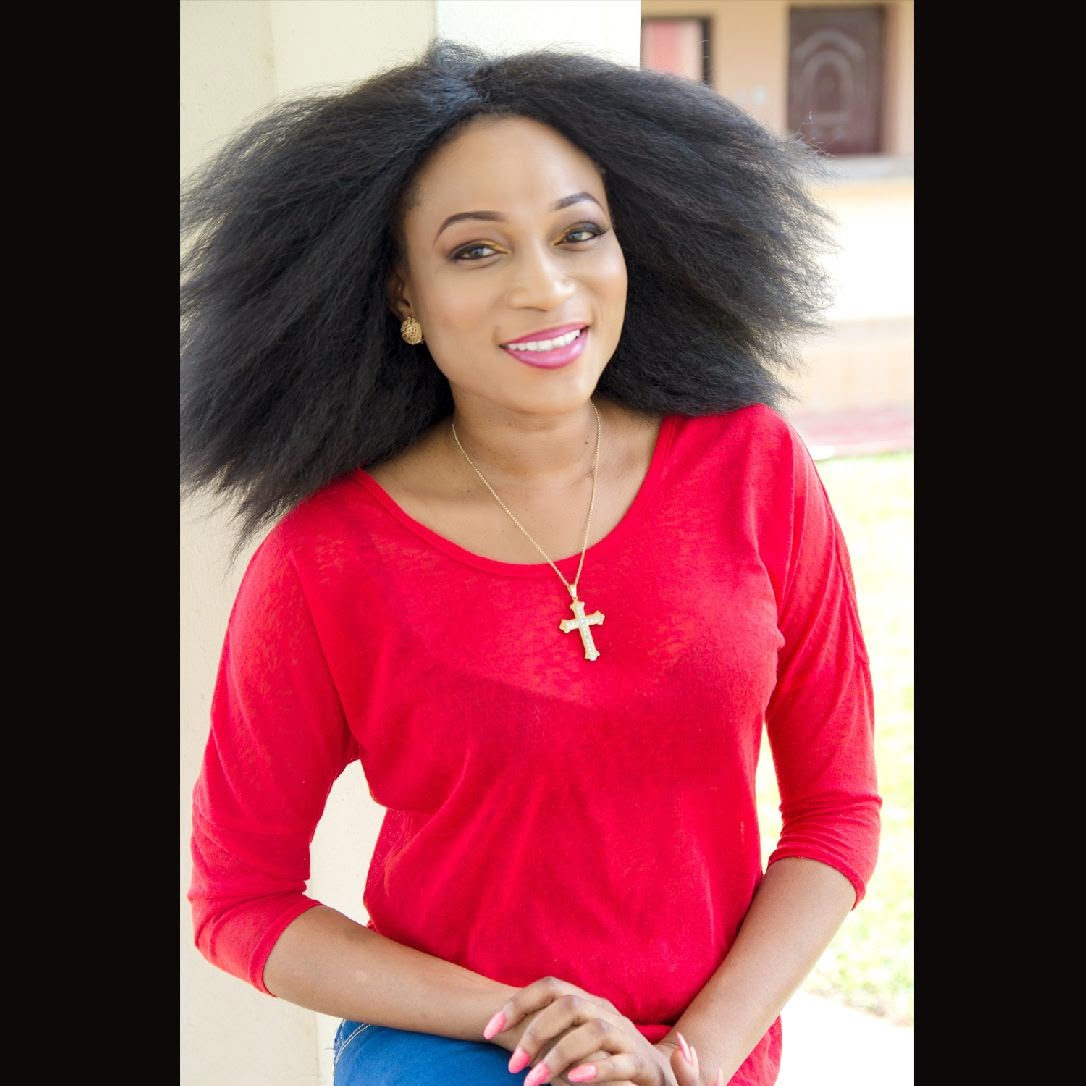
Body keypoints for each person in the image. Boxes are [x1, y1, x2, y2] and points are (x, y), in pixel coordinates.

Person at [181, 39, 881, 1086]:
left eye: (578, 233)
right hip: (455, 1052)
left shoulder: (752, 467)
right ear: (403, 294)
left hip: (708, 1058)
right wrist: (532, 1021)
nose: (546, 288)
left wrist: (687, 1059)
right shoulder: (326, 561)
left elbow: (838, 814)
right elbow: (238, 900)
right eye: (476, 250)